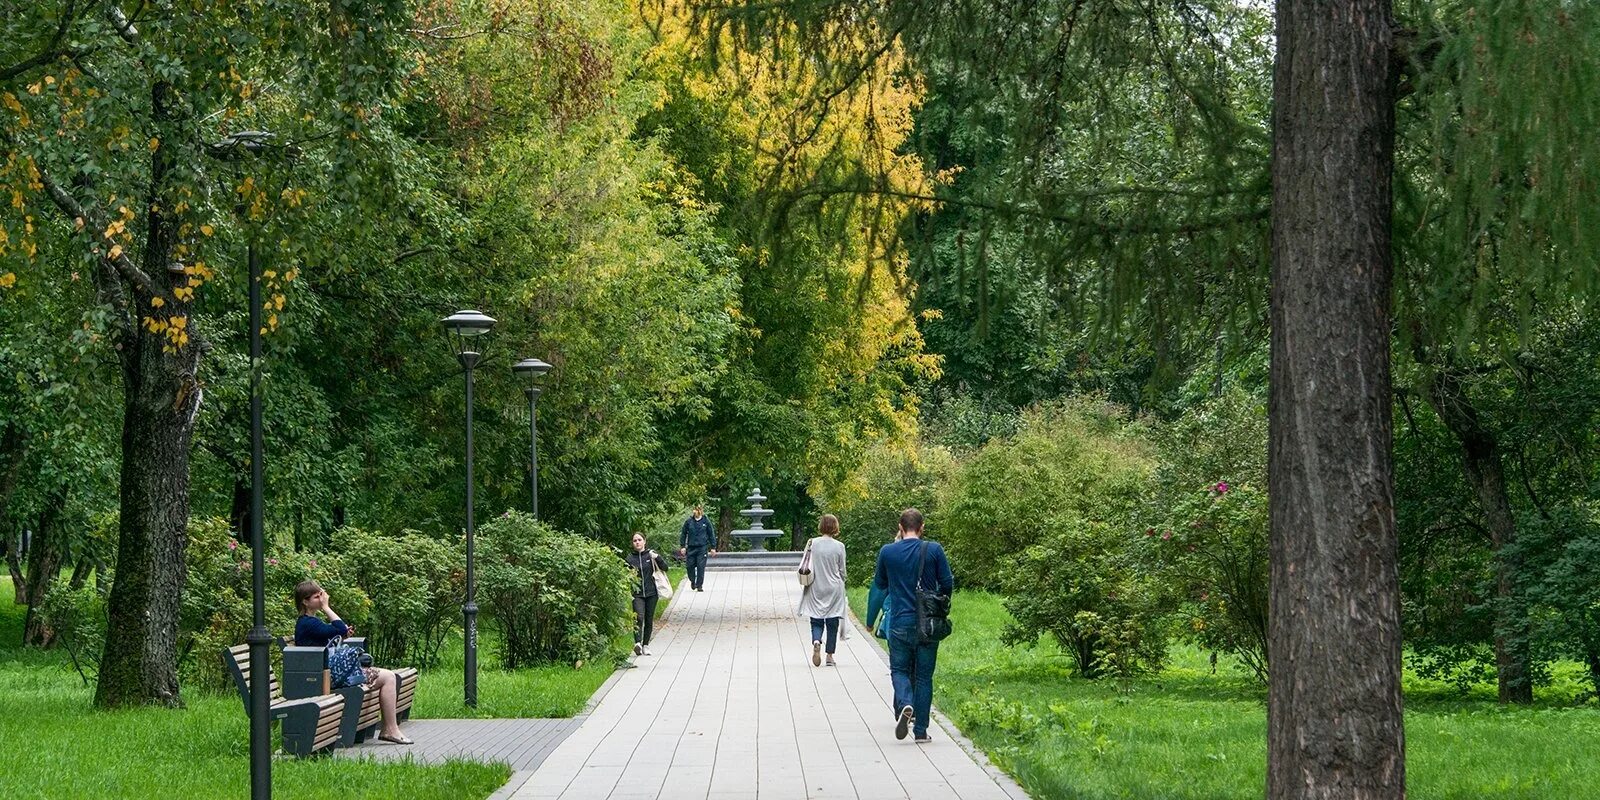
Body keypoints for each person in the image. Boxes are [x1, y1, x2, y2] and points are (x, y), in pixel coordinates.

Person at [293, 580, 412, 745]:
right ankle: (390, 730)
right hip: (325, 677)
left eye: (322, 596)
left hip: (327, 673)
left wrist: (341, 634)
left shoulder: (310, 623)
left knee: (387, 676)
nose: (321, 600)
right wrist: (327, 608)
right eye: (316, 597)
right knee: (389, 677)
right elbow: (340, 628)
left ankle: (389, 729)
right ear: (305, 601)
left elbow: (335, 632)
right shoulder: (308, 623)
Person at [873, 508, 953, 743]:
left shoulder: (888, 552)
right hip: (927, 623)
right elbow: (947, 583)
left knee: (899, 670)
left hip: (899, 621)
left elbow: (880, 583)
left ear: (900, 527)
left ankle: (906, 703)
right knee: (924, 677)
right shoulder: (934, 550)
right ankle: (920, 731)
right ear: (922, 527)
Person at [797, 514, 848, 667]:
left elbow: (805, 563)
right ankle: (830, 656)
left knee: (816, 619)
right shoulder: (839, 546)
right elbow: (842, 571)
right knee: (833, 621)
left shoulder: (812, 543)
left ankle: (817, 640)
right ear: (835, 527)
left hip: (815, 586)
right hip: (834, 588)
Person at [626, 532, 670, 656]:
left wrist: (658, 558)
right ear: (632, 543)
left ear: (644, 541)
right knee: (638, 617)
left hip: (652, 593)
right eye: (635, 541)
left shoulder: (651, 555)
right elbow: (625, 575)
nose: (637, 542)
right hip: (637, 593)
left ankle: (646, 645)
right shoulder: (630, 558)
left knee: (649, 619)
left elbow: (665, 568)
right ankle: (637, 643)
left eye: (639, 540)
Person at [864, 527, 903, 640]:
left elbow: (878, 593)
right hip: (923, 617)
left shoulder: (890, 557)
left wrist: (870, 623)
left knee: (898, 655)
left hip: (895, 616)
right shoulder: (927, 554)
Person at [678, 503, 717, 592]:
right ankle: (692, 580)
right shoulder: (689, 522)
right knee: (689, 566)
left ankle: (699, 585)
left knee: (700, 567)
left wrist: (713, 547)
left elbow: (711, 534)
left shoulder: (706, 521)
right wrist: (683, 546)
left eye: (699, 509)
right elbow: (683, 534)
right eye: (695, 509)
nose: (697, 511)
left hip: (702, 548)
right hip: (691, 547)